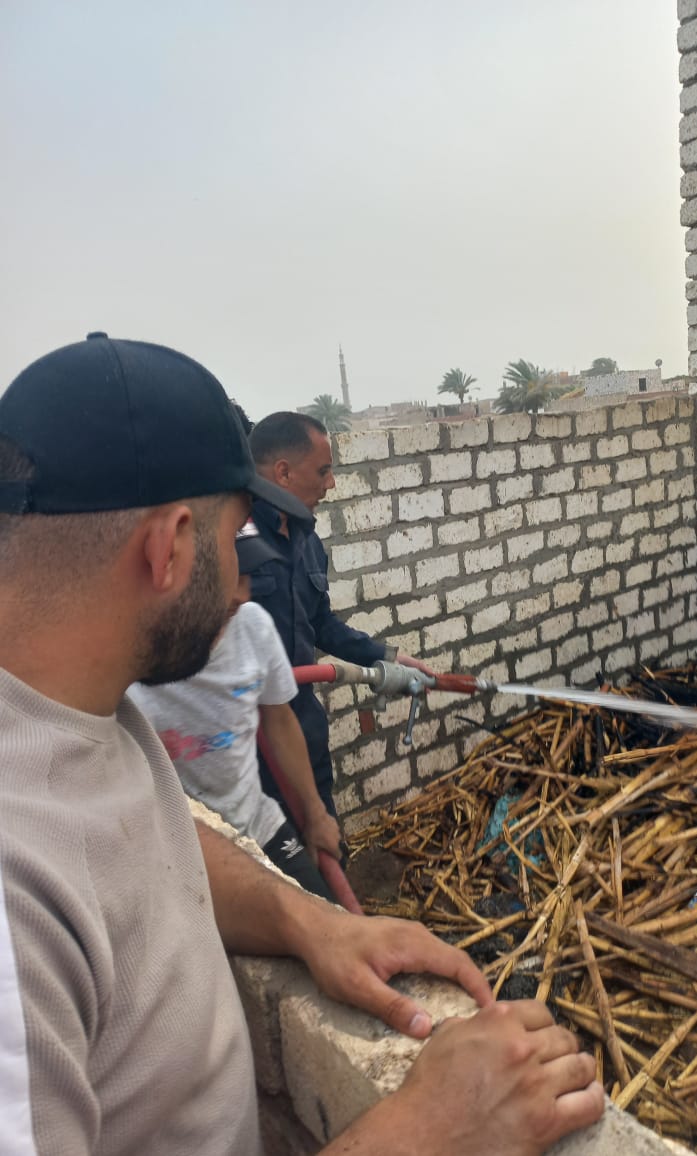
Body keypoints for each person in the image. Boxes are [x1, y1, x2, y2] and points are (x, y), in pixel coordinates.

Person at [0, 333, 603, 1156]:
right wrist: (430, 1128)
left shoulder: (84, 709)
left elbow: (147, 840)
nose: (241, 579)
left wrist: (305, 920)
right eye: (232, 541)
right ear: (168, 548)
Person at [129, 517, 340, 902]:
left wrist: (315, 813)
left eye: (248, 575)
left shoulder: (254, 626)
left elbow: (279, 721)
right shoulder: (132, 659)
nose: (241, 593)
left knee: (327, 912)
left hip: (259, 825)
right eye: (230, 574)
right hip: (180, 851)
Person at [248, 411, 432, 817]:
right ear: (283, 473)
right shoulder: (237, 546)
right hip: (250, 747)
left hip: (304, 730)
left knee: (324, 835)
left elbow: (322, 625)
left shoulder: (308, 541)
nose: (331, 484)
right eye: (323, 471)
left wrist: (388, 658)